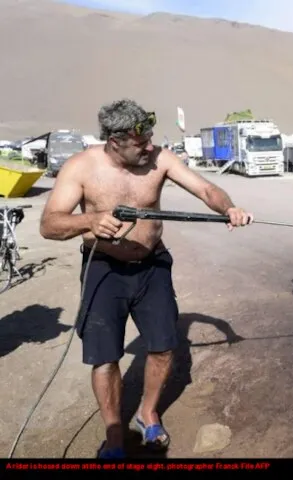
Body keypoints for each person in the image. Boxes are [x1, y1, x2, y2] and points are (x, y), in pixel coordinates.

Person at [39, 99, 253, 458]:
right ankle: (114, 435)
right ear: (114, 141)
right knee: (104, 357)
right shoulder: (81, 167)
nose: (150, 147)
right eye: (141, 143)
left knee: (164, 347)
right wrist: (88, 221)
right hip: (104, 269)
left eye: (151, 139)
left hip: (153, 267)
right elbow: (49, 224)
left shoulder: (159, 158)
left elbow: (205, 189)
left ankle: (147, 412)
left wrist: (228, 207)